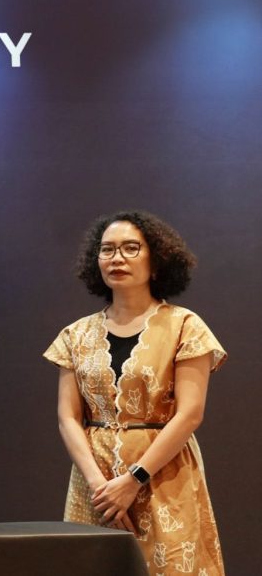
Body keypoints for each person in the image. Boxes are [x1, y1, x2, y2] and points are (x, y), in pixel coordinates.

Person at [44, 211, 225, 574]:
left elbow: (190, 414)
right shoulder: (75, 335)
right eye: (107, 249)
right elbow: (68, 417)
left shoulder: (185, 326)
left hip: (164, 477)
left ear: (156, 261)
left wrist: (132, 480)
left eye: (131, 248)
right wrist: (100, 487)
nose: (117, 258)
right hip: (94, 484)